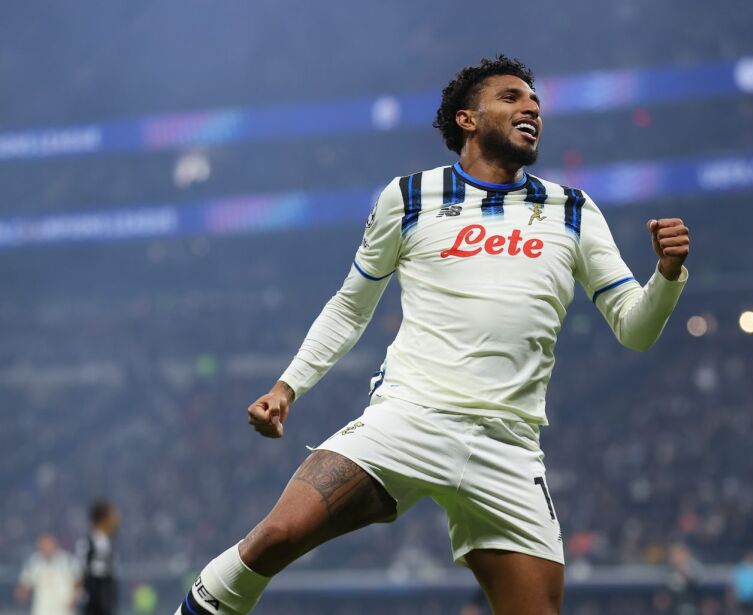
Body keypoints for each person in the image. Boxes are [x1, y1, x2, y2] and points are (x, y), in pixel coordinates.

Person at [175, 55, 690, 615]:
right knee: (276, 536)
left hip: (508, 446)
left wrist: (666, 277)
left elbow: (635, 330)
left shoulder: (572, 210)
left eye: (535, 102)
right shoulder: (410, 197)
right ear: (468, 119)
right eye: (512, 97)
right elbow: (350, 307)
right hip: (410, 418)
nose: (532, 108)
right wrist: (287, 387)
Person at [15, 533, 80, 615]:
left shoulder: (67, 561)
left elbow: (78, 580)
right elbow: (25, 584)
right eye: (43, 545)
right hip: (42, 609)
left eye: (48, 545)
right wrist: (23, 593)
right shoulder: (33, 562)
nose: (46, 548)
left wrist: (74, 598)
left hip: (64, 609)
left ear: (55, 545)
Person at [75, 500, 120, 615]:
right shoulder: (89, 544)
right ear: (104, 519)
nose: (117, 520)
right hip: (95, 603)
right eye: (114, 516)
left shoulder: (107, 543)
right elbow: (81, 572)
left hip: (106, 602)